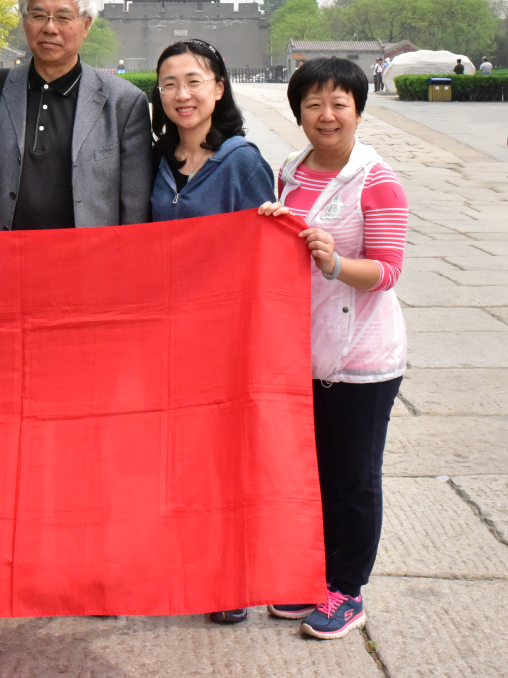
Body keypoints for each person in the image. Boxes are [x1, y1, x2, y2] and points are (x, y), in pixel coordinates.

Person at [260, 57, 408, 640]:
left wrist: (336, 262)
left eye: (338, 103)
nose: (326, 115)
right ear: (298, 113)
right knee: (313, 475)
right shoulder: (289, 172)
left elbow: (388, 271)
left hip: (362, 357)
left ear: (358, 111)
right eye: (313, 104)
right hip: (304, 350)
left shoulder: (377, 180)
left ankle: (348, 589)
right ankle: (314, 576)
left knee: (354, 479)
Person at [148, 39, 275, 624]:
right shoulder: (156, 159)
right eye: (169, 84)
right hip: (165, 334)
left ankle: (231, 580)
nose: (182, 95)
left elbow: (265, 254)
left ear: (219, 88)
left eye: (194, 81)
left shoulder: (242, 161)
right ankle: (181, 565)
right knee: (177, 457)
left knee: (224, 458)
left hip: (223, 337)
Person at [0, 0, 151, 231]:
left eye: (63, 17)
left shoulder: (123, 102)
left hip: (87, 252)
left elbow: (135, 207)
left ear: (86, 25)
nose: (50, 28)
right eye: (38, 16)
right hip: (6, 251)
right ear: (25, 21)